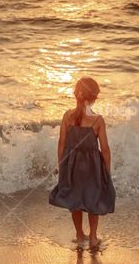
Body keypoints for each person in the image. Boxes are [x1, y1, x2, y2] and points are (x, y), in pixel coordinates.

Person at [49, 77, 115, 251]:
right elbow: (105, 149)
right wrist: (106, 171)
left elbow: (61, 144)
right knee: (93, 199)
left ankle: (79, 235)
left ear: (76, 95)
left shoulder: (67, 116)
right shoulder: (97, 120)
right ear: (94, 98)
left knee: (75, 199)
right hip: (93, 167)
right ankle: (93, 237)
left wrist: (62, 166)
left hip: (72, 165)